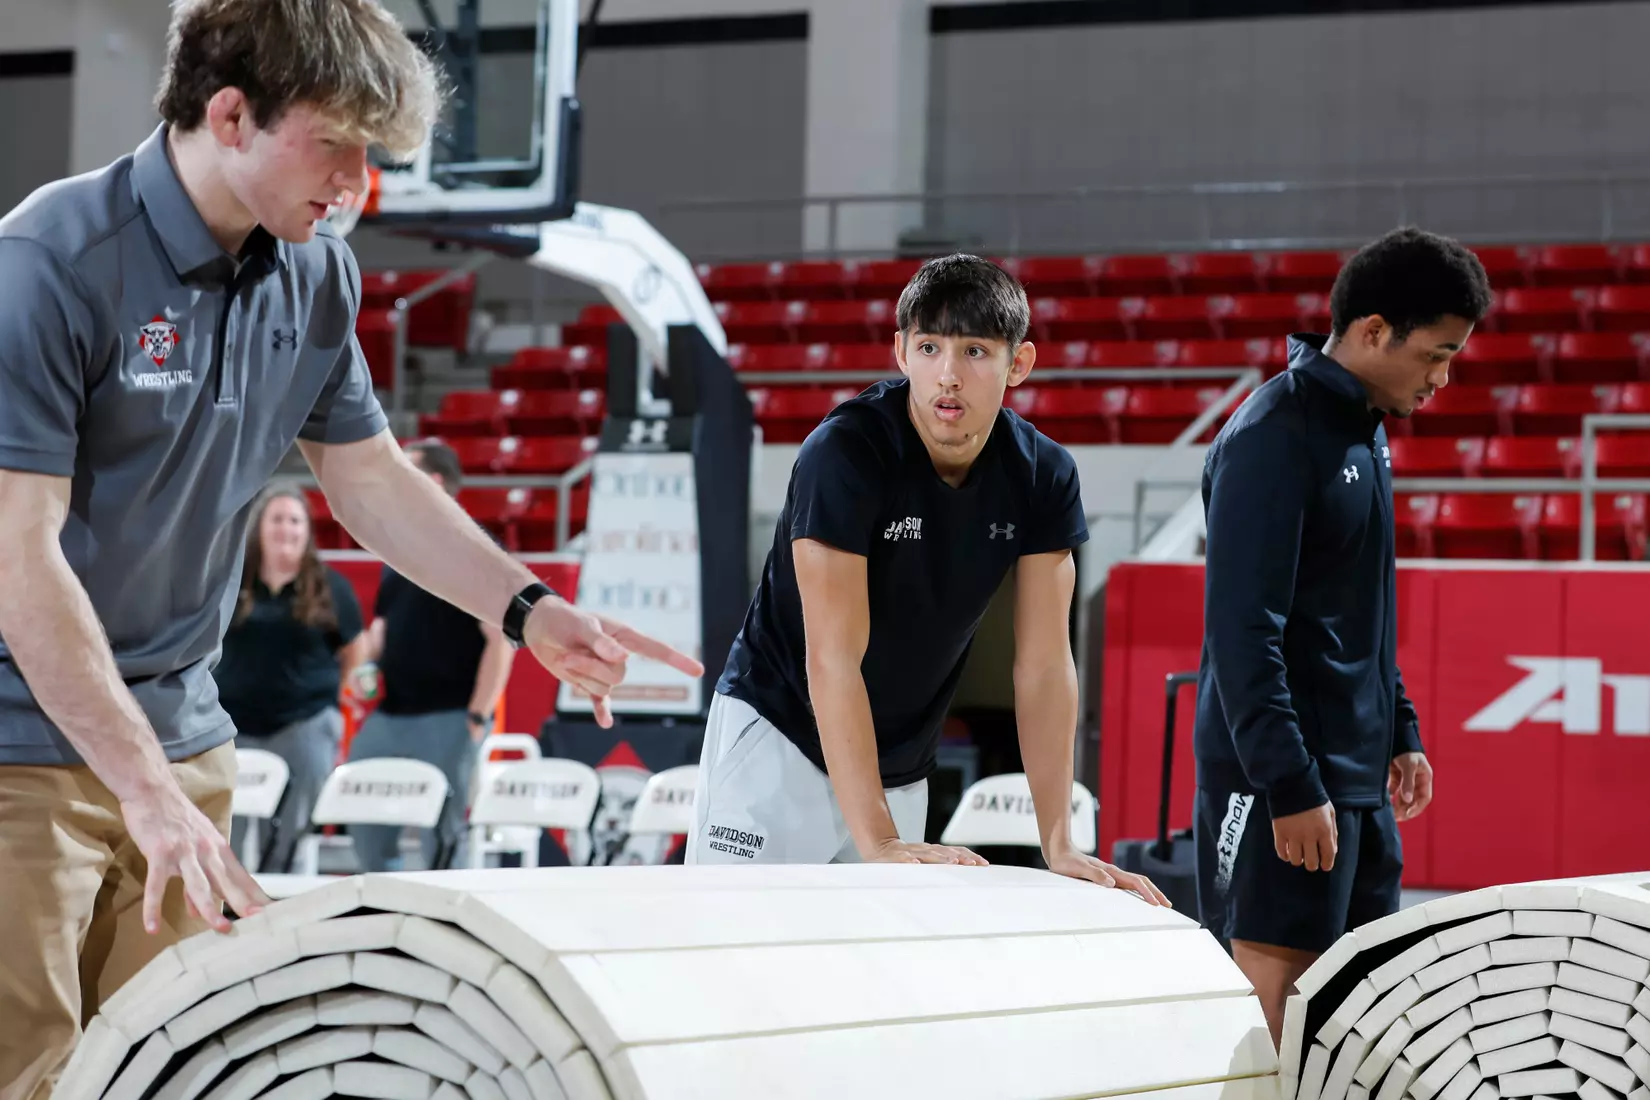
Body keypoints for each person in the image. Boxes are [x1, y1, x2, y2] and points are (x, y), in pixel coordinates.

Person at [0, 1, 700, 1093]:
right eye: (335, 142)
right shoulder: (49, 262)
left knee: (169, 1072)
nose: (357, 181)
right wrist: (140, 786)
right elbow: (19, 556)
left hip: (186, 740)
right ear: (230, 116)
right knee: (29, 1073)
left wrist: (527, 606)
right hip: (22, 751)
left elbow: (370, 482)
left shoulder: (317, 271)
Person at [684, 253, 1166, 904]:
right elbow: (832, 658)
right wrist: (878, 840)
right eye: (931, 346)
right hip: (778, 736)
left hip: (901, 763)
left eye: (974, 351)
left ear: (1017, 364)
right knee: (729, 955)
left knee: (876, 979)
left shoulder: (1043, 475)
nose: (948, 374)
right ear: (901, 353)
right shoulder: (845, 452)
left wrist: (1059, 842)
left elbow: (1046, 666)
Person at [1192, 226, 1493, 1046]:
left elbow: (1360, 604)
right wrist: (1288, 783)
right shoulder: (1271, 437)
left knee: (1353, 1020)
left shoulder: (1365, 427)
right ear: (1370, 332)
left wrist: (1400, 728)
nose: (1441, 378)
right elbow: (1243, 633)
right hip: (1280, 787)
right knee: (1270, 1019)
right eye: (1436, 354)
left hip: (1357, 783)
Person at [345, 440, 515, 872]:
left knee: (441, 842)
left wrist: (477, 715)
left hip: (450, 716)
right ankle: (385, 919)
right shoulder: (397, 551)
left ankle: (444, 930)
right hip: (391, 714)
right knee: (361, 820)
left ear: (433, 483)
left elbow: (500, 640)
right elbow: (383, 625)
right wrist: (363, 666)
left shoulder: (474, 547)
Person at [214, 484, 367, 873]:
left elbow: (355, 650)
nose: (286, 528)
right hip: (234, 726)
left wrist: (333, 691)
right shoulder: (231, 582)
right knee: (234, 825)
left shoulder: (331, 587)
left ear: (307, 531)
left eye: (295, 520)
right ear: (259, 528)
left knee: (290, 832)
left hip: (304, 722)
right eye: (277, 519)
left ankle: (282, 891)